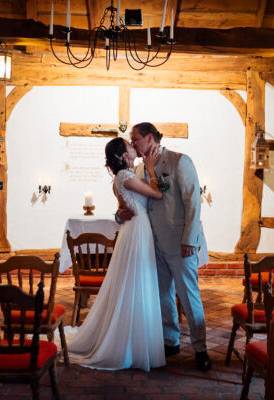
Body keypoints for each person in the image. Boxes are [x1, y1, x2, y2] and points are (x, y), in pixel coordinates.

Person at [118, 122, 211, 372]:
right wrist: (120, 214)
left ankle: (201, 348)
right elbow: (135, 202)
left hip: (180, 243)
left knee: (189, 296)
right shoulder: (138, 171)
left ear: (150, 138)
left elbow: (193, 203)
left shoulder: (180, 161)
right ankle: (171, 341)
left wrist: (189, 240)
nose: (133, 143)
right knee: (162, 295)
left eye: (135, 139)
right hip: (152, 243)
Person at [68, 137, 166, 371]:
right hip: (136, 230)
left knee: (134, 281)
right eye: (130, 146)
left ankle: (134, 338)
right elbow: (157, 194)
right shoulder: (125, 176)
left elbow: (128, 206)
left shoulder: (125, 176)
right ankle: (128, 342)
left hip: (135, 228)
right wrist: (152, 169)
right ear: (124, 155)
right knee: (135, 281)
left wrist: (121, 214)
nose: (133, 147)